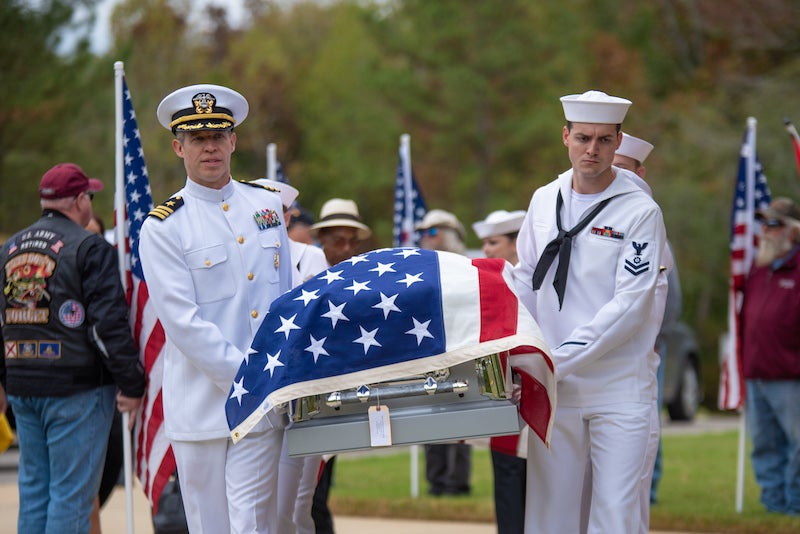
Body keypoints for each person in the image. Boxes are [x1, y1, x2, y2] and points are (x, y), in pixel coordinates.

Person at [138, 84, 293, 533]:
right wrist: (248, 377)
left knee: (254, 523)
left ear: (233, 141)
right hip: (204, 407)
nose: (210, 147)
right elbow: (183, 323)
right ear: (178, 147)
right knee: (210, 526)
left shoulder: (265, 205)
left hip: (263, 403)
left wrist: (271, 378)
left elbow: (284, 294)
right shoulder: (164, 227)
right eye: (197, 139)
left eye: (218, 137)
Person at [513, 90, 668, 533]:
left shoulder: (639, 210)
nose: (592, 150)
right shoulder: (544, 198)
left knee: (615, 518)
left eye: (604, 140)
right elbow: (525, 277)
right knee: (548, 518)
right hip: (555, 389)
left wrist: (552, 361)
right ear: (565, 137)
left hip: (618, 388)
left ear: (619, 142)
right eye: (583, 138)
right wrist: (518, 349)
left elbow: (629, 307)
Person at [0, 162, 145, 533]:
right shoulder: (90, 247)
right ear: (80, 199)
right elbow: (107, 324)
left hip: (22, 386)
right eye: (90, 197)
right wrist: (132, 382)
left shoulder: (9, 249)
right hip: (76, 390)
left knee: (34, 491)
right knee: (71, 496)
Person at [613, 132, 682, 513]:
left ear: (640, 172)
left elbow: (667, 294)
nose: (616, 176)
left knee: (640, 432)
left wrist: (655, 336)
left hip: (640, 349)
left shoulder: (647, 218)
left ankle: (650, 491)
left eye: (623, 169)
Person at [305, 198, 373, 534]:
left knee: (319, 490)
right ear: (322, 240)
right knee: (307, 498)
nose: (346, 249)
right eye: (338, 241)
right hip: (305, 397)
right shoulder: (305, 276)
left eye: (352, 242)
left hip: (340, 400)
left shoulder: (364, 283)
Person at [741, 197, 800, 516]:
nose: (766, 230)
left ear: (792, 231)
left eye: (774, 224)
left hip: (791, 375)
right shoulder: (758, 268)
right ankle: (773, 504)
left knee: (797, 445)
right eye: (764, 223)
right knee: (765, 445)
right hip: (756, 372)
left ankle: (795, 504)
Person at [472, 209, 528, 533]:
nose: (487, 250)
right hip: (505, 392)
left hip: (529, 389)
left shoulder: (530, 282)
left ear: (516, 244)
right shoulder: (496, 280)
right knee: (506, 477)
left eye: (493, 242)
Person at [415, 209, 473, 497]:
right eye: (423, 232)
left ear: (450, 235)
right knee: (430, 414)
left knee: (462, 414)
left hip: (461, 346)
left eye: (432, 232)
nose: (425, 237)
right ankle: (436, 482)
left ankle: (457, 482)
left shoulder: (465, 266)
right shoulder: (419, 269)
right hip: (429, 348)